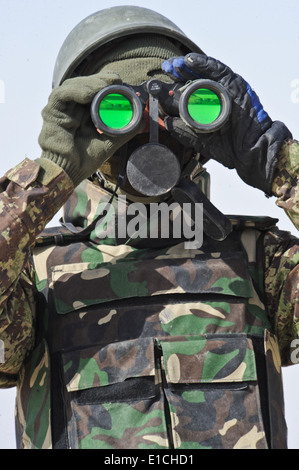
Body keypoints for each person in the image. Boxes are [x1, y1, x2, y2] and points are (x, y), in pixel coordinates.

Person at [0, 5, 298, 449]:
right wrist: (51, 174)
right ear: (83, 123)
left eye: (176, 110)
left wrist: (274, 159)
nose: (151, 131)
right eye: (120, 111)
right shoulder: (32, 274)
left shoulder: (261, 261)